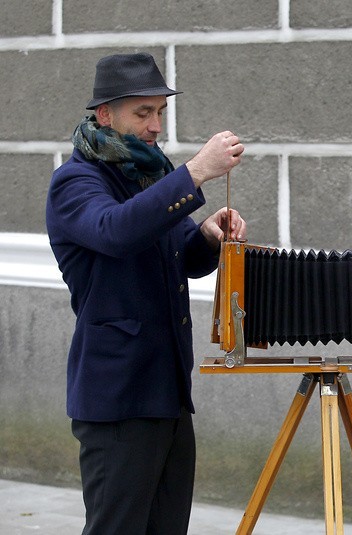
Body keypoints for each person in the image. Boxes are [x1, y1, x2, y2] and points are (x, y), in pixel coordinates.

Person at [45, 52, 247, 534]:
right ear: (105, 114)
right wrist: (195, 172)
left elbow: (181, 257)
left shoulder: (150, 176)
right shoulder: (75, 182)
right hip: (117, 399)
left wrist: (207, 237)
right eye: (143, 113)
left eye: (160, 112)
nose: (156, 126)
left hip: (168, 393)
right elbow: (115, 231)